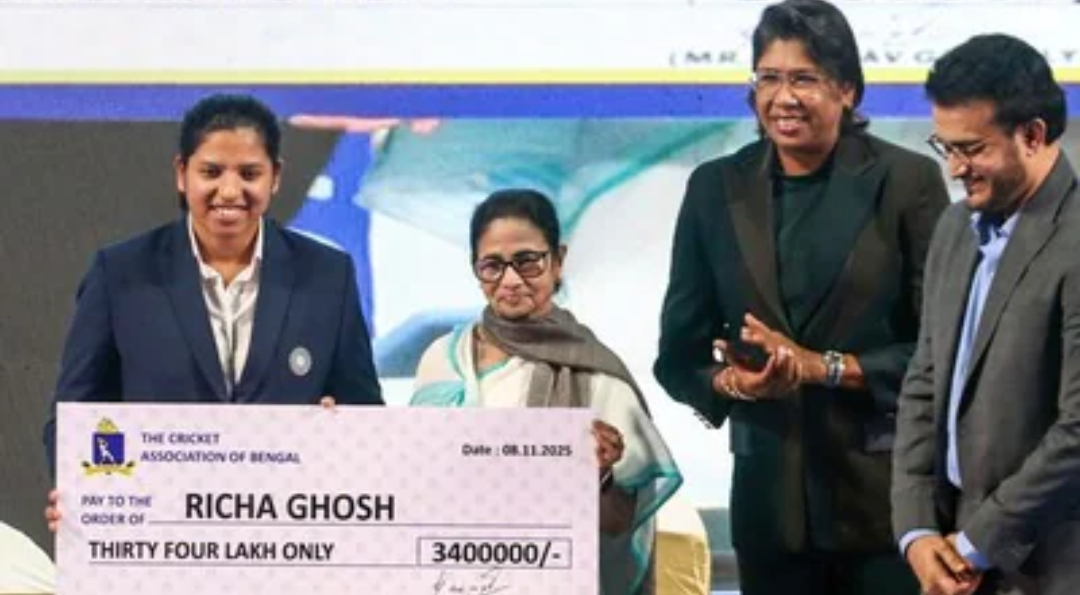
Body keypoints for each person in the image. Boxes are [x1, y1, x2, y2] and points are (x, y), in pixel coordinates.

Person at [653, 1, 950, 593]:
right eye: (769, 77)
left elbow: (941, 350)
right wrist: (736, 383)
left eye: (804, 79)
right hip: (768, 512)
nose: (782, 97)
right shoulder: (714, 188)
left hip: (885, 508)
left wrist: (824, 367)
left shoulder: (907, 182)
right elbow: (678, 356)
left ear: (847, 90)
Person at [44, 93, 383, 469]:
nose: (230, 191)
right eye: (211, 172)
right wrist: (82, 487)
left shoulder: (328, 276)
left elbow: (367, 415)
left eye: (249, 174)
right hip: (158, 504)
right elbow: (71, 418)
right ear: (181, 173)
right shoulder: (120, 273)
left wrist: (346, 427)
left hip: (287, 503)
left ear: (275, 177)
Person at [411, 188, 682, 595]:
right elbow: (413, 480)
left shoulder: (596, 374)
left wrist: (600, 475)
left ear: (557, 261)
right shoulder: (441, 358)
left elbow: (617, 524)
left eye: (527, 262)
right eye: (492, 266)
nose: (511, 281)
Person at [892, 34, 1078, 595]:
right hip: (951, 558)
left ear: (1033, 135)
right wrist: (917, 533)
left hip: (1050, 568)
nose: (954, 169)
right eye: (944, 147)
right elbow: (923, 383)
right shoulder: (954, 229)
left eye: (971, 149)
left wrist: (974, 544)